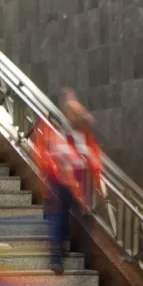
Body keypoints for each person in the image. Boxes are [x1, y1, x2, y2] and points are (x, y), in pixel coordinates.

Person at [30, 89, 102, 274]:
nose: (77, 116)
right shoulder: (57, 128)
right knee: (58, 217)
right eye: (73, 112)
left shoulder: (83, 134)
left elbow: (92, 156)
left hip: (76, 184)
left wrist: (93, 175)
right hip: (58, 181)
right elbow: (48, 153)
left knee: (73, 218)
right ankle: (56, 257)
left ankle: (72, 254)